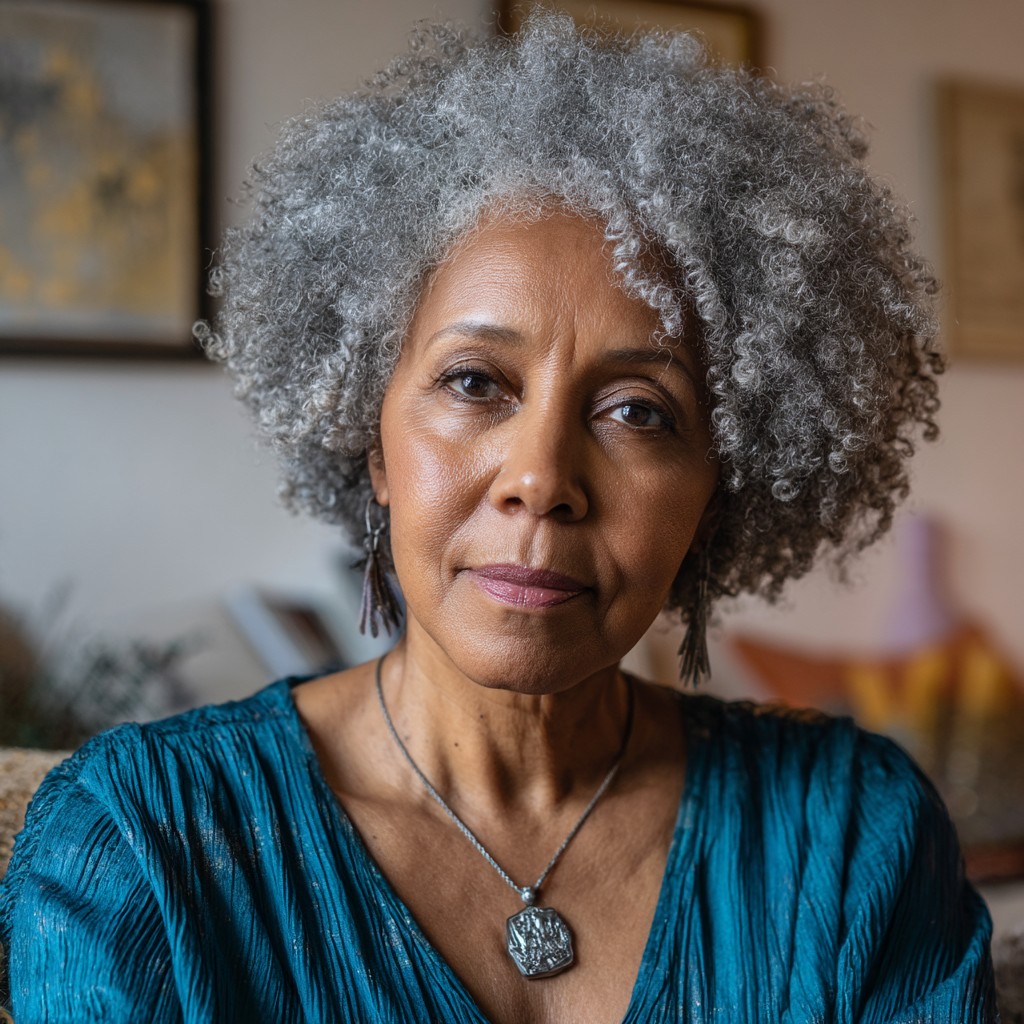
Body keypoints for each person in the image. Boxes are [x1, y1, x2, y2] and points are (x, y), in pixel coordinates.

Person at [0, 13, 997, 1023]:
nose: (541, 477)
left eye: (638, 411)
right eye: (476, 381)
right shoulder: (141, 846)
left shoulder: (852, 840)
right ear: (371, 442)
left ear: (719, 486)